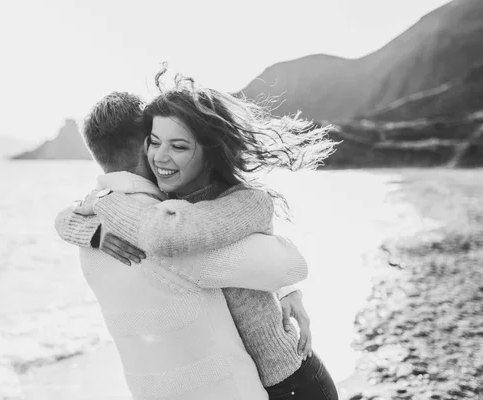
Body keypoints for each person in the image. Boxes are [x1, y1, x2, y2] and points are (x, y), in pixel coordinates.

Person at [57, 70, 339, 400]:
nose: (161, 156)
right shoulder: (162, 207)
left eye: (177, 145)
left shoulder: (231, 205)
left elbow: (172, 235)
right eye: (155, 141)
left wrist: (105, 202)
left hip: (290, 377)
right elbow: (77, 219)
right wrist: (87, 226)